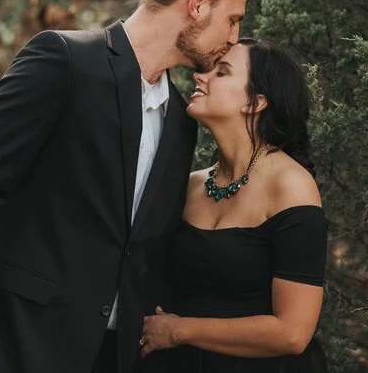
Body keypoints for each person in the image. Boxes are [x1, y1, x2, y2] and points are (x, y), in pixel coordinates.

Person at [0, 0, 248, 373]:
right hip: (15, 344)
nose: (235, 37)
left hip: (111, 359)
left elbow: (141, 253)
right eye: (232, 20)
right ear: (197, 3)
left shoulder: (180, 121)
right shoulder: (62, 60)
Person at [138, 38, 328, 373]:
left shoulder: (291, 186)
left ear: (256, 102)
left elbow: (293, 333)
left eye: (221, 72)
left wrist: (180, 330)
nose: (201, 77)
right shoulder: (190, 184)